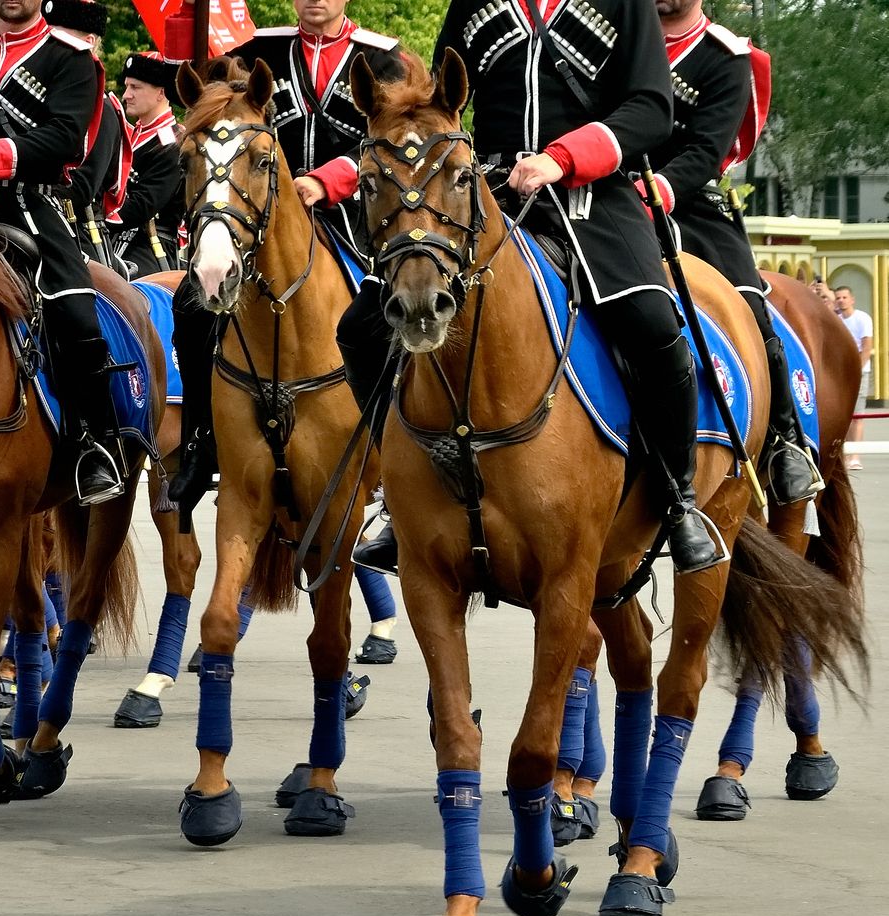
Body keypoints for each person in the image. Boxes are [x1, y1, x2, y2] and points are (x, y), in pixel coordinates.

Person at [349, 0, 725, 575]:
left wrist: (563, 158)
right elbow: (436, 97)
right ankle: (396, 503)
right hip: (479, 196)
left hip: (592, 198)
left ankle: (680, 500)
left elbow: (651, 108)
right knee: (361, 327)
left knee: (651, 321)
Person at [164, 0, 404, 520]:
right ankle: (200, 444)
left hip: (357, 220)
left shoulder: (384, 60)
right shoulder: (257, 53)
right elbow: (219, 117)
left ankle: (396, 460)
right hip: (260, 217)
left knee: (395, 312)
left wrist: (328, 180)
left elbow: (391, 144)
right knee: (190, 303)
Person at [642, 0, 819, 505]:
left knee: (747, 300)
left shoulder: (726, 57)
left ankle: (785, 441)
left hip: (691, 202)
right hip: (611, 192)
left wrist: (656, 192)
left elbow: (706, 150)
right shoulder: (618, 39)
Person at [0, 0, 124, 504]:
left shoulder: (69, 57)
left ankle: (95, 442)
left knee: (76, 310)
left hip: (29, 204)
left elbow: (66, 139)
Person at [42, 0, 133, 273]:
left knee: (76, 312)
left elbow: (81, 188)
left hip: (78, 232)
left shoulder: (102, 107)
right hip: (28, 216)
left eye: (57, 38)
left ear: (89, 41)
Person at [107, 51, 183, 276]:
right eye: (127, 86)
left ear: (161, 92)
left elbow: (143, 204)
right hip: (114, 235)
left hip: (150, 243)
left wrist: (102, 219)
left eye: (135, 87)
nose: (126, 95)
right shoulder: (130, 135)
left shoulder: (174, 142)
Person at [835, 285, 873, 469]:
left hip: (860, 371)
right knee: (845, 416)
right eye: (838, 297)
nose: (841, 300)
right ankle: (846, 452)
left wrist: (856, 369)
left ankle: (855, 455)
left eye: (844, 297)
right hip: (841, 373)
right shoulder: (837, 320)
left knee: (858, 415)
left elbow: (867, 347)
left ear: (852, 299)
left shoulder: (862, 318)